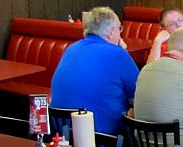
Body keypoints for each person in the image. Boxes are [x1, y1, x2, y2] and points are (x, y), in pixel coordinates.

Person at [51, 7, 139, 136]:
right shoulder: (117, 54)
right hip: (101, 138)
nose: (121, 33)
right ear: (110, 32)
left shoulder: (71, 49)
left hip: (62, 132)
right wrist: (122, 51)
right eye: (119, 29)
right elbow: (138, 93)